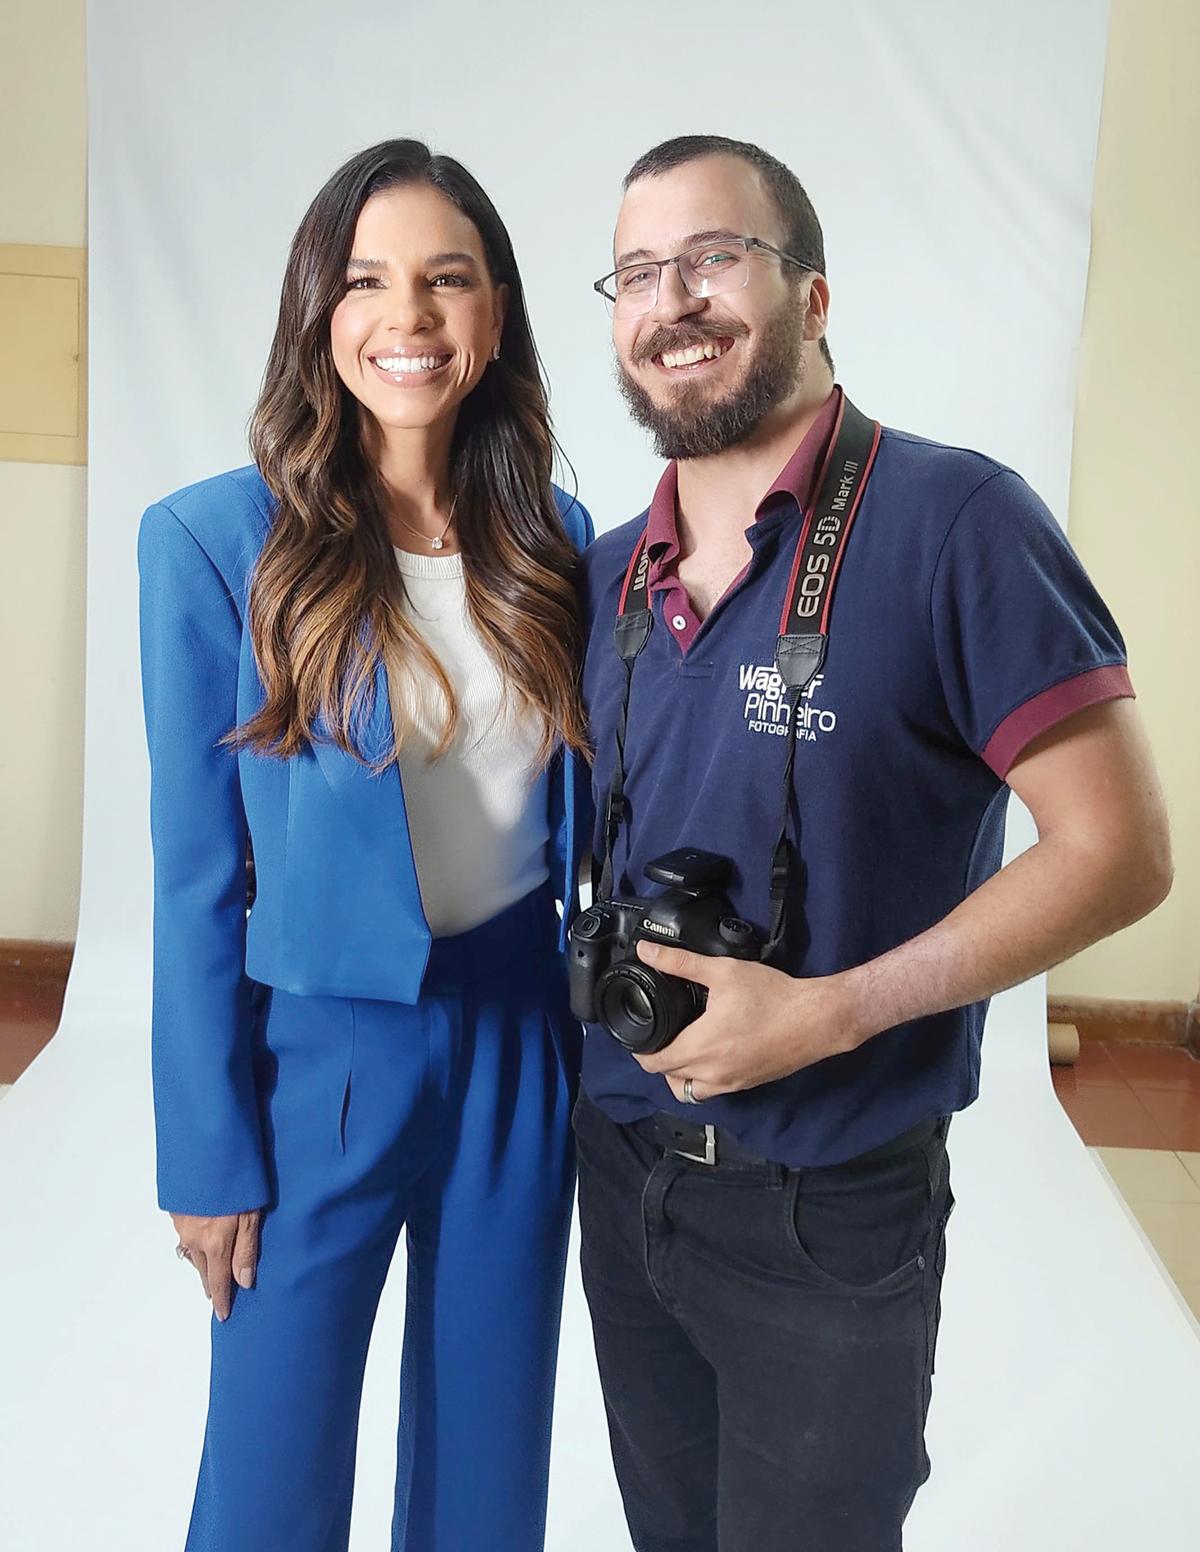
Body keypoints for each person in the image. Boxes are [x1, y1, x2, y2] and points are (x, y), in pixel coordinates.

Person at [571, 134, 1172, 1552]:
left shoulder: (958, 521)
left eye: (716, 256)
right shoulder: (601, 574)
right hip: (619, 1166)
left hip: (827, 1207)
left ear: (814, 298)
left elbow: (1122, 849)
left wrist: (836, 1010)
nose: (676, 300)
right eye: (639, 272)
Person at [137, 138, 594, 1552]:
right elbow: (194, 876)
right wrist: (205, 1156)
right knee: (273, 1469)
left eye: (446, 280)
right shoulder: (217, 542)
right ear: (319, 315)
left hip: (521, 1036)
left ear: (496, 312)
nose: (409, 317)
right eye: (369, 282)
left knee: (486, 1466)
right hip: (320, 1059)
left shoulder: (555, 538)